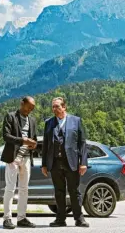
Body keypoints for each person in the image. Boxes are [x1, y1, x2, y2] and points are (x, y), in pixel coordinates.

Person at [41, 97, 89, 227]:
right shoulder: (49, 123)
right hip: (55, 162)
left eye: (57, 106)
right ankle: (60, 219)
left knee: (74, 191)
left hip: (71, 162)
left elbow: (82, 143)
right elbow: (45, 145)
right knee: (59, 191)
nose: (54, 109)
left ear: (64, 107)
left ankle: (79, 218)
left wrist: (83, 162)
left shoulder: (76, 121)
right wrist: (44, 164)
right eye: (53, 107)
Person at [0, 96, 37, 229]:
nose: (30, 110)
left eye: (32, 108)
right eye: (28, 107)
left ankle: (21, 218)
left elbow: (33, 139)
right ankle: (7, 218)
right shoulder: (10, 117)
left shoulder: (32, 120)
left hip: (26, 158)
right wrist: (23, 141)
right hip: (13, 158)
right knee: (10, 188)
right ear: (22, 104)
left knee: (24, 189)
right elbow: (6, 136)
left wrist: (33, 144)